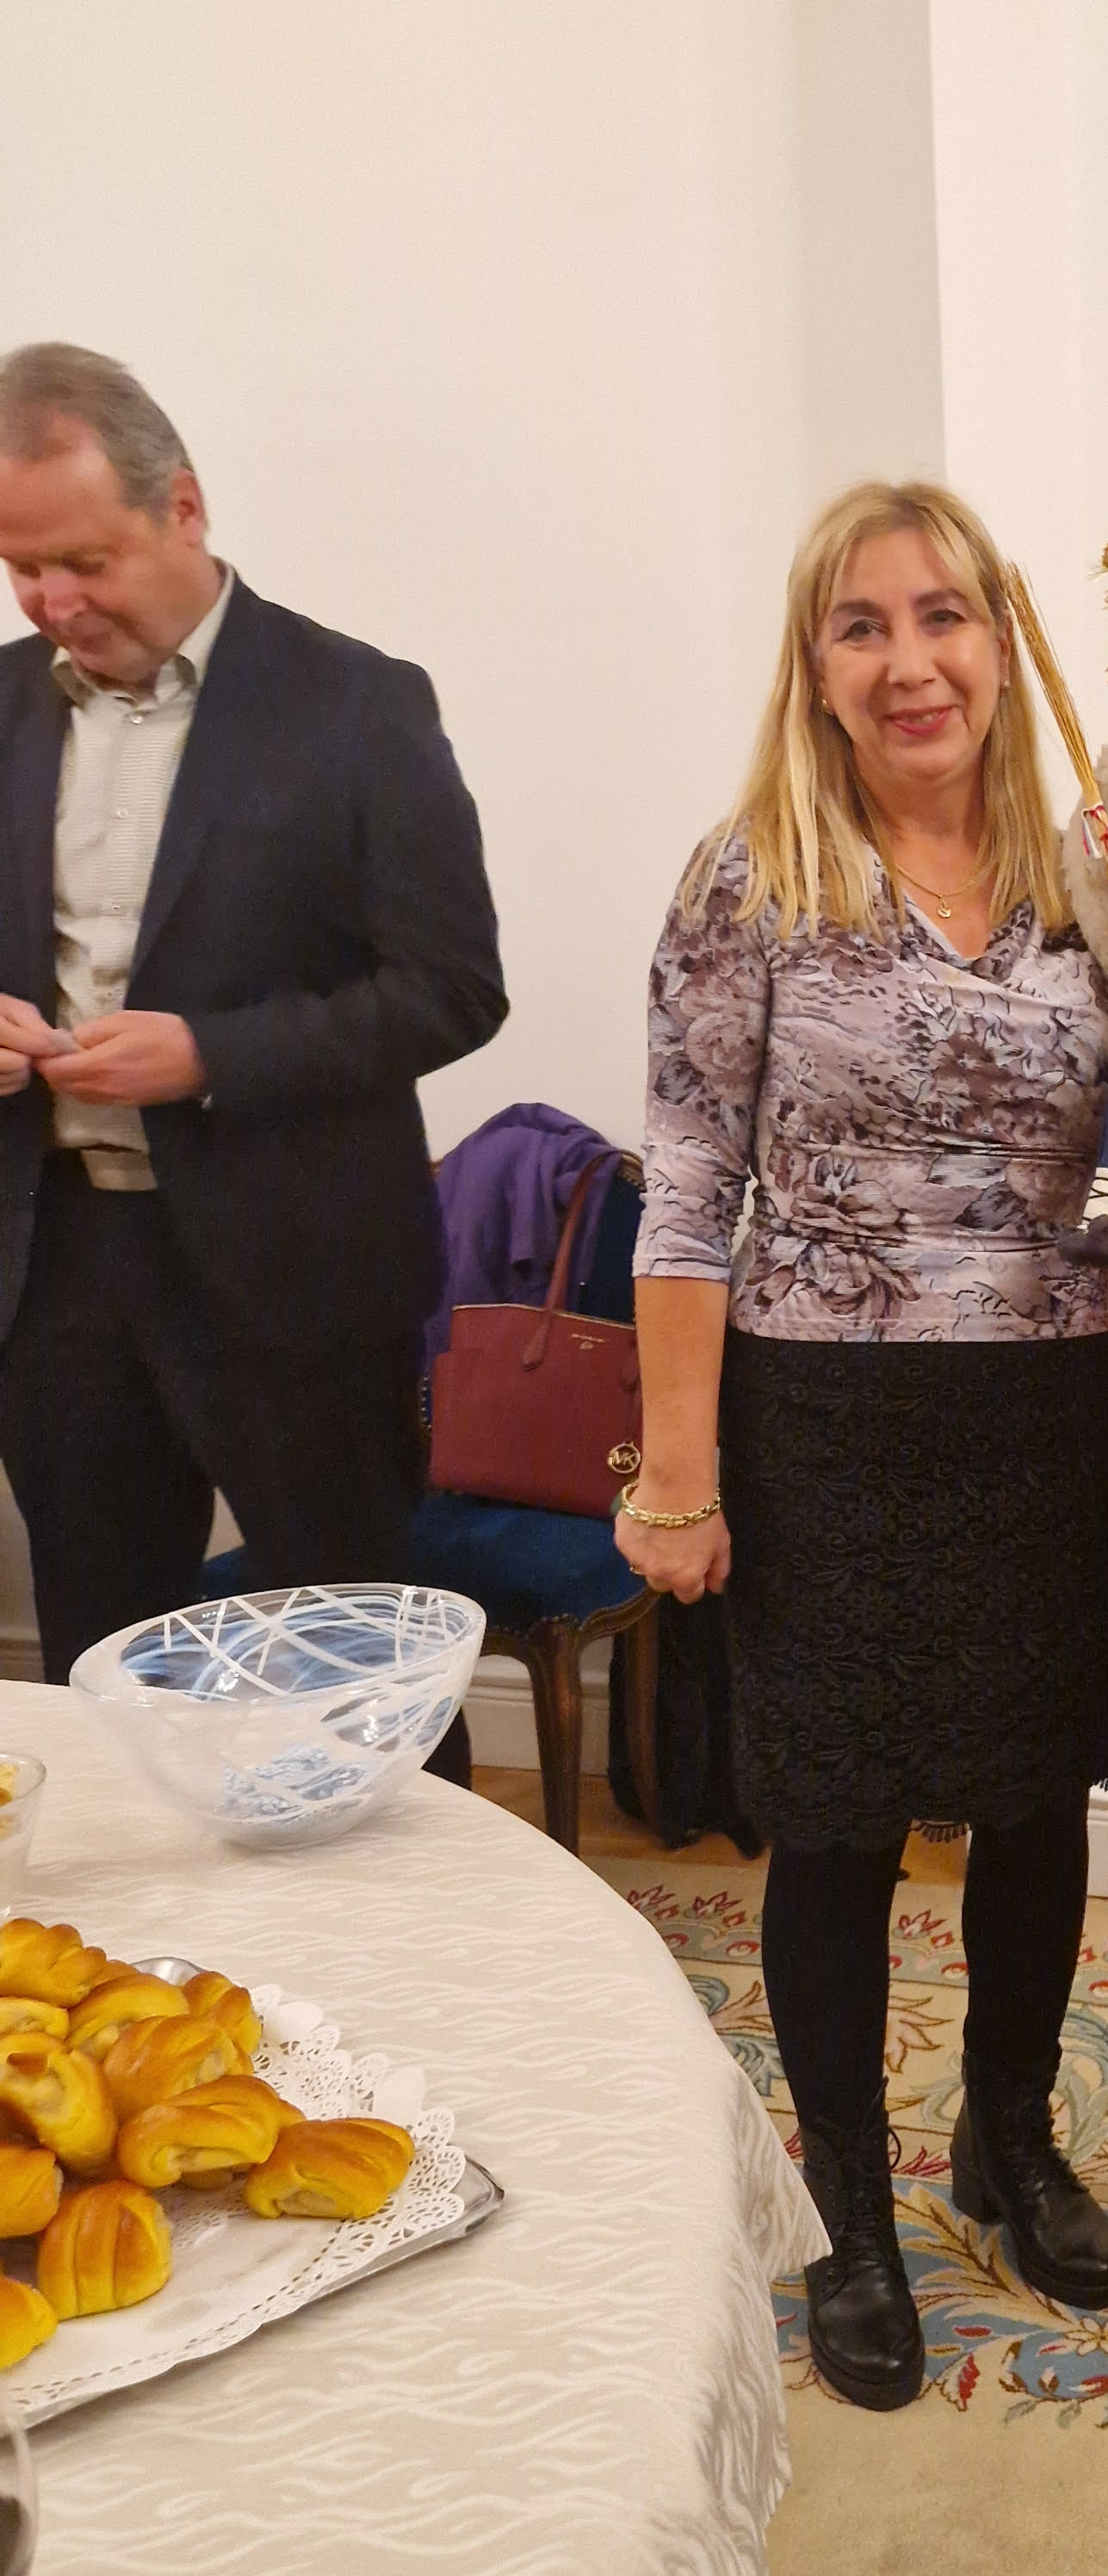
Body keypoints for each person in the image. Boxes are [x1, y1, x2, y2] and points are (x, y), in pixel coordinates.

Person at [621, 479, 1108, 2412]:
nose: (910, 662)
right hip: (821, 1414)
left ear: (1003, 638)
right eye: (862, 625)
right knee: (832, 1826)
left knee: (1033, 1796)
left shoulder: (1102, 876)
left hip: (1054, 1400)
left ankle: (1008, 2137)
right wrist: (676, 1473)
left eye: (943, 617)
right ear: (814, 667)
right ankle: (852, 2208)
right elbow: (685, 1189)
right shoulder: (751, 876)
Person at [0, 344, 505, 1780]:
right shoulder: (0, 704)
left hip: (297, 1271)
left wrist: (209, 1056)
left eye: (84, 561)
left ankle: (409, 1924)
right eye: (22, 570)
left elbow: (453, 990)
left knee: (363, 1678)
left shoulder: (358, 705)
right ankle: (148, 1926)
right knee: (104, 1681)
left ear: (184, 507)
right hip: (53, 1274)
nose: (54, 603)